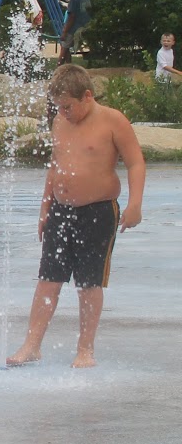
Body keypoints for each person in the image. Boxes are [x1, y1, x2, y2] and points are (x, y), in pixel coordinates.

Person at [7, 65, 145, 369]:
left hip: (98, 211)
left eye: (67, 106)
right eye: (59, 106)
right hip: (61, 211)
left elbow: (135, 162)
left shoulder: (112, 121)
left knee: (88, 283)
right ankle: (32, 345)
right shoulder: (61, 121)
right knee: (48, 280)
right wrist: (45, 207)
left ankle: (85, 349)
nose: (63, 112)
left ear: (87, 96)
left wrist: (135, 204)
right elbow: (56, 166)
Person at [60, 0, 92, 65]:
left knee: (64, 48)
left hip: (74, 29)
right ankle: (69, 66)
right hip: (85, 26)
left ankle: (59, 67)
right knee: (65, 49)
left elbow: (71, 17)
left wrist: (64, 32)